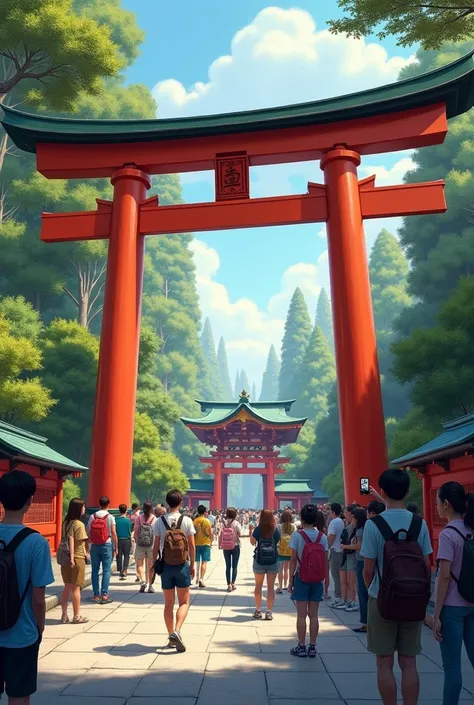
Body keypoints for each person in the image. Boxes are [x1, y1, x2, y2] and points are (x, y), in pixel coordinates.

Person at [361, 469, 432, 705]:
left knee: (384, 662)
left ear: (381, 491)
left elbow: (368, 569)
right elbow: (426, 565)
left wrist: (372, 589)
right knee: (409, 662)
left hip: (381, 598)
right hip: (413, 599)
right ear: (408, 491)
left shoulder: (373, 525)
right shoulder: (419, 524)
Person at [0, 470, 54, 705]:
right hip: (21, 634)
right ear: (30, 500)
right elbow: (39, 599)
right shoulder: (36, 542)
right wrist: (39, 628)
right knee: (19, 696)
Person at [433, 481, 474, 705]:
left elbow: (444, 577)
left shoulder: (448, 535)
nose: (436, 506)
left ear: (446, 504)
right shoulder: (472, 529)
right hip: (472, 603)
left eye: (437, 502)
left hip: (452, 607)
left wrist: (436, 614)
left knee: (452, 667)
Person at [152, 489, 196, 653]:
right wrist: (192, 564)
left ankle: (171, 635)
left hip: (166, 565)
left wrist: (153, 564)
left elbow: (156, 546)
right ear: (181, 502)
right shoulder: (186, 520)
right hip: (182, 565)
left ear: (167, 502)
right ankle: (177, 630)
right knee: (184, 602)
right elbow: (191, 545)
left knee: (168, 603)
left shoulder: (159, 521)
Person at [289, 505, 328, 658]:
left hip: (302, 577)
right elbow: (325, 560)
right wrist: (325, 581)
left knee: (301, 615)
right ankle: (312, 646)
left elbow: (293, 560)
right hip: (317, 579)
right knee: (314, 615)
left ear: (302, 518)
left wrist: (290, 580)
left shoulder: (297, 536)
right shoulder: (322, 537)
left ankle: (301, 645)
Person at [60, 497, 89, 624]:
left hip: (65, 559)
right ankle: (76, 616)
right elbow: (82, 542)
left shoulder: (65, 523)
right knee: (76, 588)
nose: (84, 509)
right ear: (78, 509)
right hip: (77, 558)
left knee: (67, 586)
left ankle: (64, 614)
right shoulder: (79, 524)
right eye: (83, 507)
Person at [250, 508, 281, 620]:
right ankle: (269, 612)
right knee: (270, 587)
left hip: (259, 560)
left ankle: (258, 610)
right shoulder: (275, 529)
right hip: (273, 560)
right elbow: (278, 541)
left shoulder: (258, 529)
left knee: (258, 586)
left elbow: (252, 542)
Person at [87, 495, 117, 604]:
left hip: (94, 546)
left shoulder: (92, 516)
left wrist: (90, 542)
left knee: (94, 570)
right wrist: (115, 547)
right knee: (106, 570)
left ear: (99, 504)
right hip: (107, 544)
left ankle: (95, 595)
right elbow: (113, 533)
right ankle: (104, 595)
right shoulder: (110, 517)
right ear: (108, 504)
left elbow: (88, 531)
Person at [349, 507, 368, 633]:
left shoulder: (360, 531)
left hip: (362, 561)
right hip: (363, 561)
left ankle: (365, 622)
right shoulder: (365, 528)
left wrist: (345, 546)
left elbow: (359, 546)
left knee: (362, 592)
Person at [134, 500, 157, 593]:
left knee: (139, 564)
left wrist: (136, 539)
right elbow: (157, 532)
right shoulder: (154, 519)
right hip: (151, 543)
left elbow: (136, 531)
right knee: (150, 565)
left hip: (140, 544)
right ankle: (150, 585)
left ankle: (143, 580)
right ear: (152, 509)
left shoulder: (139, 518)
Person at [338, 506, 358, 612]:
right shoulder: (347, 525)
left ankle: (352, 601)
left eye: (347, 513)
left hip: (352, 554)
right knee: (345, 579)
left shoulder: (356, 528)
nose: (345, 515)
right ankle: (346, 600)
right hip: (346, 554)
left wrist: (345, 546)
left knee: (351, 581)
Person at [220, 507, 241, 591]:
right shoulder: (236, 523)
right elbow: (239, 533)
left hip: (226, 546)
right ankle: (233, 583)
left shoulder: (224, 523)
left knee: (228, 566)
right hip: (235, 545)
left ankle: (228, 584)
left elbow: (220, 533)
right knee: (234, 566)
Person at [327, 502, 345, 607]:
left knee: (336, 575)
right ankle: (340, 596)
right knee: (338, 574)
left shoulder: (334, 522)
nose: (329, 512)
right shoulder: (340, 521)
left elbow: (331, 537)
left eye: (330, 510)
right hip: (339, 549)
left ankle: (338, 597)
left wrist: (326, 547)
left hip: (335, 550)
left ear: (333, 511)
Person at [193, 505, 213, 588]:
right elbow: (211, 533)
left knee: (197, 562)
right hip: (205, 543)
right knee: (204, 562)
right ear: (205, 512)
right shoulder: (207, 521)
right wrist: (211, 542)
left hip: (196, 543)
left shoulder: (194, 521)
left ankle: (196, 578)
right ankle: (201, 578)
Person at [277, 509, 296, 593]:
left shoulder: (279, 526)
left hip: (281, 549)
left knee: (280, 569)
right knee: (287, 569)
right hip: (289, 549)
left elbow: (277, 538)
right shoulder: (293, 526)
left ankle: (280, 586)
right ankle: (286, 585)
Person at [116, 503, 132, 580]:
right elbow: (130, 530)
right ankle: (125, 570)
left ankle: (120, 569)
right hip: (127, 539)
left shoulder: (116, 520)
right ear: (126, 510)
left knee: (119, 555)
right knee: (126, 555)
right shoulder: (128, 520)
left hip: (118, 539)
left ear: (119, 510)